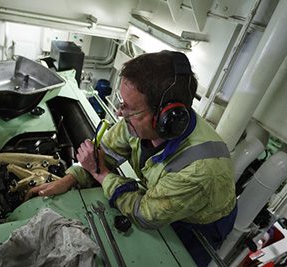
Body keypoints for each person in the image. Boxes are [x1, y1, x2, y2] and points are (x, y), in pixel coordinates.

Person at [27, 50, 237, 267]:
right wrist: (67, 180)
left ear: (165, 118)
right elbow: (104, 153)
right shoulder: (137, 125)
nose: (120, 113)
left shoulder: (199, 170)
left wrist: (101, 174)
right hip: (162, 197)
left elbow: (145, 213)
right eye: (122, 102)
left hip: (196, 226)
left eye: (130, 108)